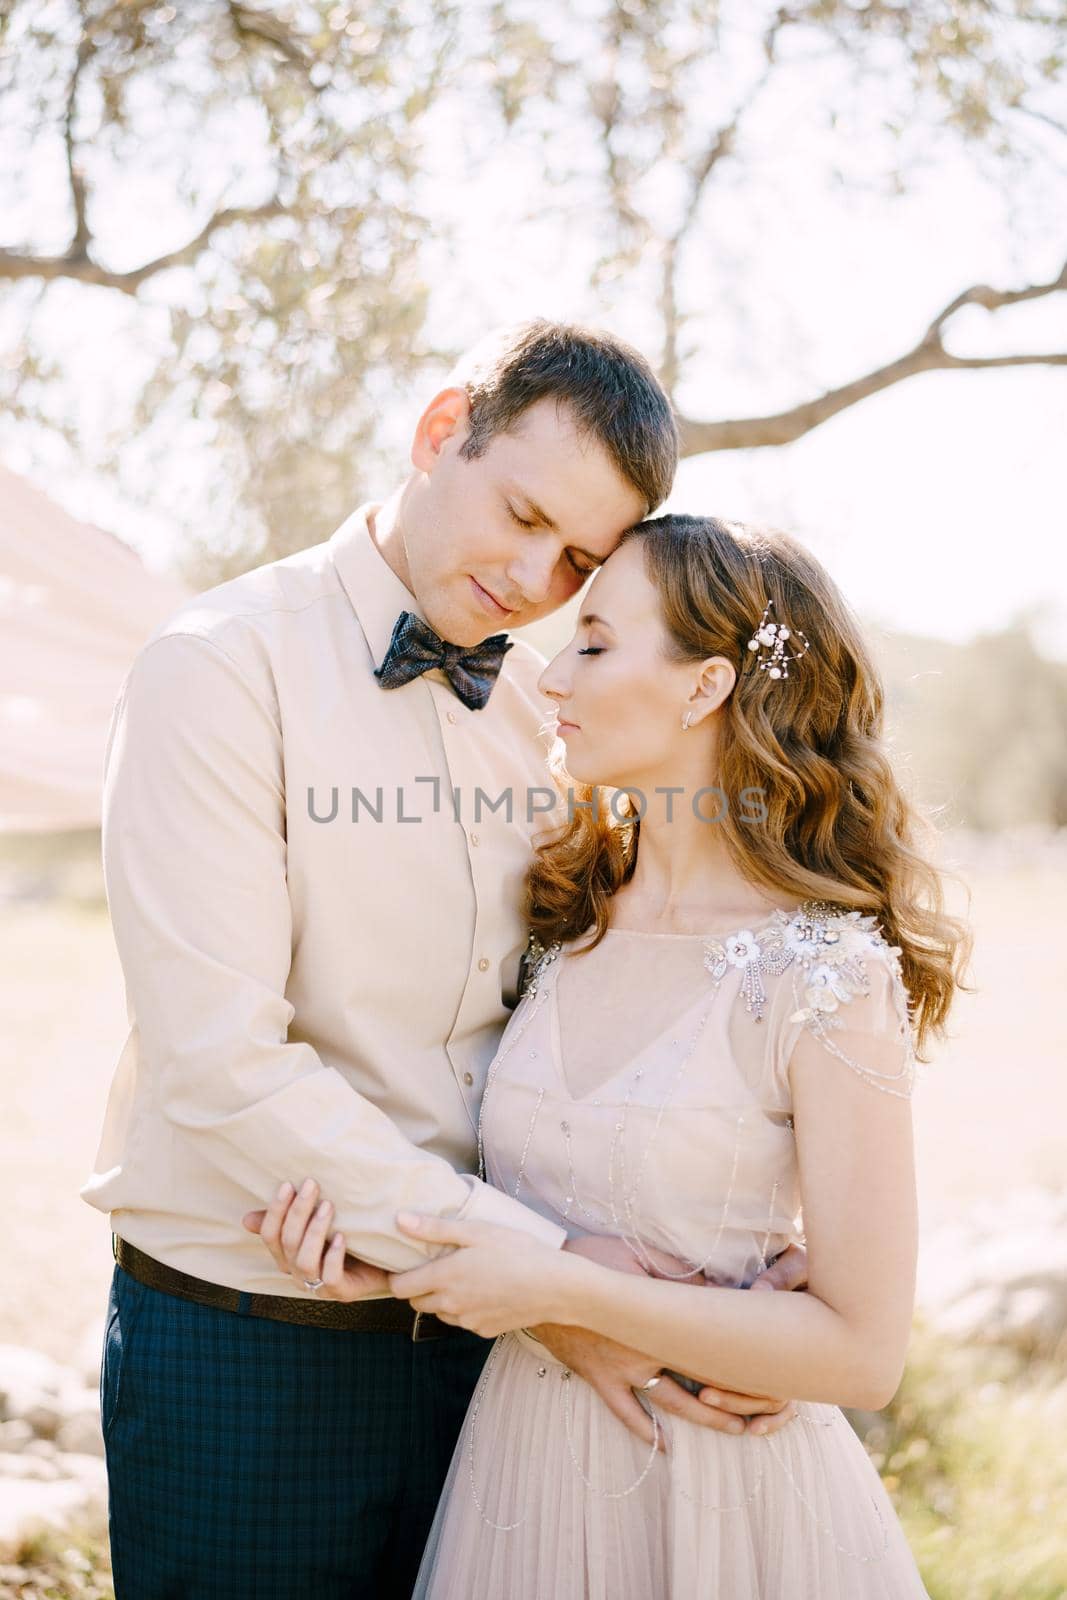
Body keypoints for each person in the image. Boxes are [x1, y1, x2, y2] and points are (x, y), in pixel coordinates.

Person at [82, 324, 807, 1600]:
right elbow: (221, 1064)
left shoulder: (549, 717)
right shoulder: (219, 668)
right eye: (521, 513)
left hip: (503, 1359)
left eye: (577, 560)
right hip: (259, 1337)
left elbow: (627, 989)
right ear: (438, 433)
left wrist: (724, 1252)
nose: (535, 579)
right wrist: (548, 1275)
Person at [267, 513, 971, 1599]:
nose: (549, 676)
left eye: (593, 641)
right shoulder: (558, 915)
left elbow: (861, 1350)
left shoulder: (825, 973)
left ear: (702, 689)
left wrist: (567, 1286)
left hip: (728, 1508)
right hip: (520, 1477)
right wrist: (385, 1254)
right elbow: (490, 1187)